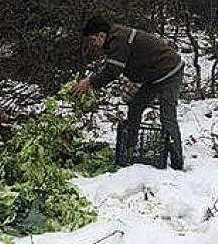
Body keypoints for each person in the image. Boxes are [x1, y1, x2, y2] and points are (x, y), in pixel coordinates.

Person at [74, 17, 185, 170]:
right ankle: (131, 149)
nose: (93, 44)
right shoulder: (115, 38)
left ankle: (177, 163)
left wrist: (90, 83)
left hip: (169, 71)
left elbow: (113, 70)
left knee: (167, 115)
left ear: (101, 35)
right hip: (154, 75)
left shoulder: (119, 39)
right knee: (135, 105)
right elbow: (117, 63)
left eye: (93, 40)